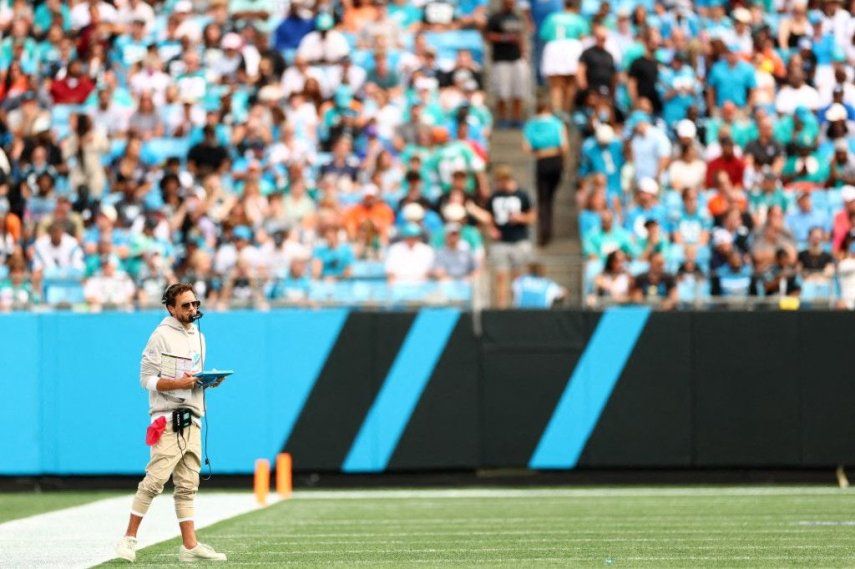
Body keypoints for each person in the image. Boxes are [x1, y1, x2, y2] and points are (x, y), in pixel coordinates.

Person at [115, 283, 227, 563]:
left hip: (192, 417)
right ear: (171, 308)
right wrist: (176, 383)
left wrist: (207, 382)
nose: (193, 309)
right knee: (154, 480)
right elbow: (146, 379)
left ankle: (190, 545)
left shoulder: (199, 337)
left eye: (195, 304)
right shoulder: (160, 336)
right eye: (186, 305)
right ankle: (128, 539)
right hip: (167, 418)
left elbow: (192, 378)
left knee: (188, 484)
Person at [522, 100, 568, 246]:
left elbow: (526, 147)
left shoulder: (531, 125)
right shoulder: (557, 123)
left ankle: (544, 233)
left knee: (544, 200)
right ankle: (546, 231)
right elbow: (564, 146)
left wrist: (540, 152)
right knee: (549, 198)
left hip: (542, 161)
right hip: (556, 162)